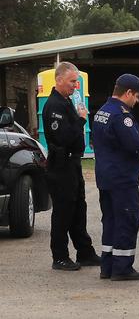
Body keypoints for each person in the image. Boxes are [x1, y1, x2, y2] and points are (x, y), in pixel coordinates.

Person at [92, 74, 139, 281]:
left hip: (105, 176)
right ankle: (122, 268)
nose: (138, 100)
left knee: (111, 221)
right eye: (137, 96)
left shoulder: (102, 112)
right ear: (128, 93)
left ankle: (107, 266)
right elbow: (135, 144)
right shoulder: (121, 116)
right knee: (127, 220)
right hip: (122, 179)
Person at [42, 61, 101, 271]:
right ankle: (59, 257)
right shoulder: (54, 105)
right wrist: (82, 120)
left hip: (72, 164)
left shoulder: (66, 101)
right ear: (59, 80)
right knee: (63, 213)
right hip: (61, 166)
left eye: (77, 82)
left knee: (79, 209)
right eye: (72, 81)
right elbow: (64, 136)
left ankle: (85, 252)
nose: (75, 86)